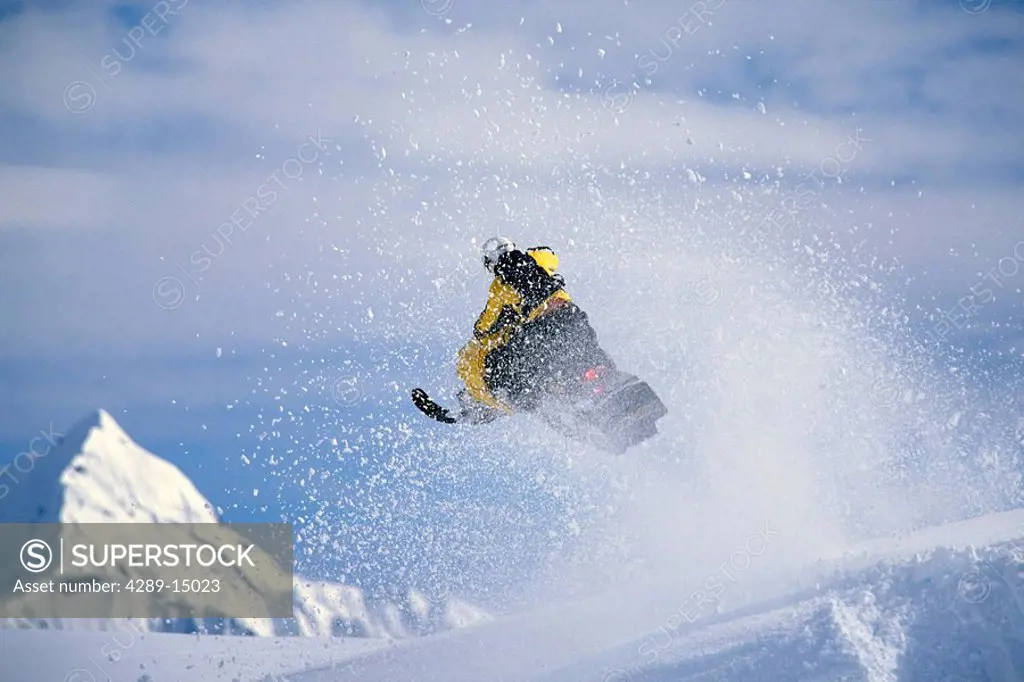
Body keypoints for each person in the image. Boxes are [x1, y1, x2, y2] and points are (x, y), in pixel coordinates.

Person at [454, 237, 613, 422]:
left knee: (518, 372)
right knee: (584, 352)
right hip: (570, 315)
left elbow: (485, 326)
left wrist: (482, 330)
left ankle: (500, 400)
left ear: (491, 262)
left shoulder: (499, 286)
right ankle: (610, 382)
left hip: (541, 327)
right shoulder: (537, 258)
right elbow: (552, 257)